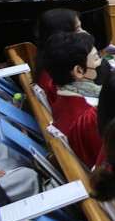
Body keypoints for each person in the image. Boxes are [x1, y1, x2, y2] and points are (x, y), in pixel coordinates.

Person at [42, 31, 103, 167]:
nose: (100, 61)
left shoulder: (61, 100)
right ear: (79, 71)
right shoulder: (89, 116)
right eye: (96, 58)